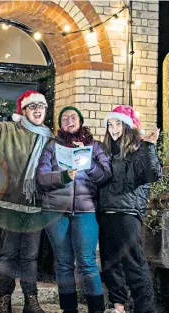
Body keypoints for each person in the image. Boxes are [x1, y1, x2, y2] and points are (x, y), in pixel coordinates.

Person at [0, 89, 53, 313]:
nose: (37, 110)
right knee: (8, 255)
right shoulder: (7, 130)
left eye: (41, 107)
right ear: (23, 110)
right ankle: (4, 299)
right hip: (8, 205)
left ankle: (31, 300)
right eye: (32, 106)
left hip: (35, 208)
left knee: (30, 257)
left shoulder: (49, 138)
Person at [36, 106, 112, 313]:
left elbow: (105, 176)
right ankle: (69, 310)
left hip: (85, 210)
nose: (70, 120)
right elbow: (41, 178)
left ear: (81, 121)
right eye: (65, 118)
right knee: (63, 263)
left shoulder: (95, 147)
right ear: (60, 124)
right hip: (55, 211)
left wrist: (87, 163)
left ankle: (96, 309)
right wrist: (63, 177)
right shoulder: (52, 146)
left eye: (74, 117)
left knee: (87, 262)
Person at [99, 105, 161, 313]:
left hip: (127, 213)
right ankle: (118, 307)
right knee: (110, 263)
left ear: (127, 126)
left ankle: (145, 309)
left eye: (118, 124)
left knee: (134, 264)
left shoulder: (139, 148)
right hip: (106, 212)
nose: (113, 128)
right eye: (110, 124)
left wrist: (150, 147)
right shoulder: (106, 151)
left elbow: (152, 174)